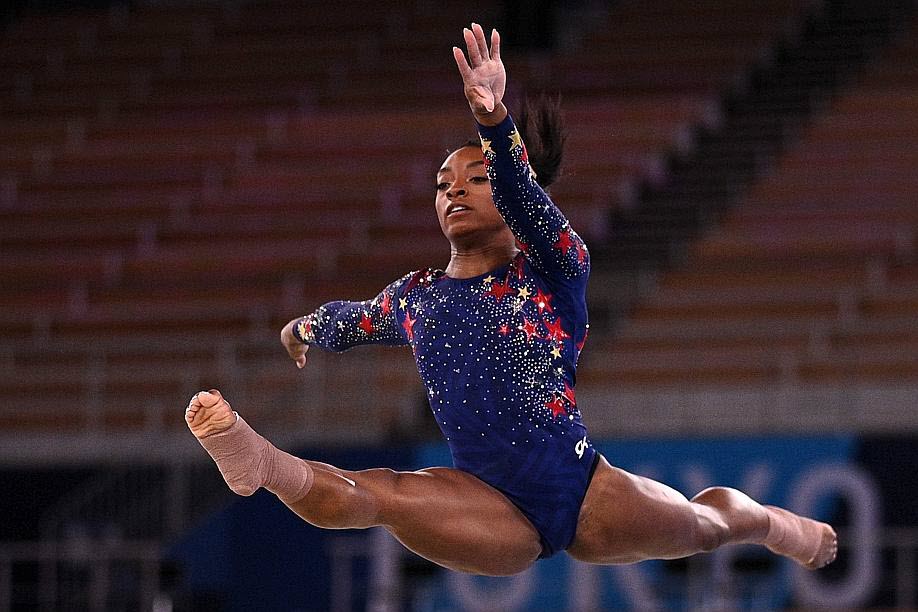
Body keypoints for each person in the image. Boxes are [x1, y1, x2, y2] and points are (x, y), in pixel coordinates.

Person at [185, 23, 837, 576]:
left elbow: (524, 192)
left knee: (704, 526)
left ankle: (773, 524)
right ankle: (259, 462)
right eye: (443, 183)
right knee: (378, 494)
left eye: (475, 177)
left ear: (509, 187)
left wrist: (494, 119)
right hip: (482, 501)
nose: (454, 190)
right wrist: (302, 330)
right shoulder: (418, 298)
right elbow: (349, 321)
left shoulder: (555, 268)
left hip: (586, 492)